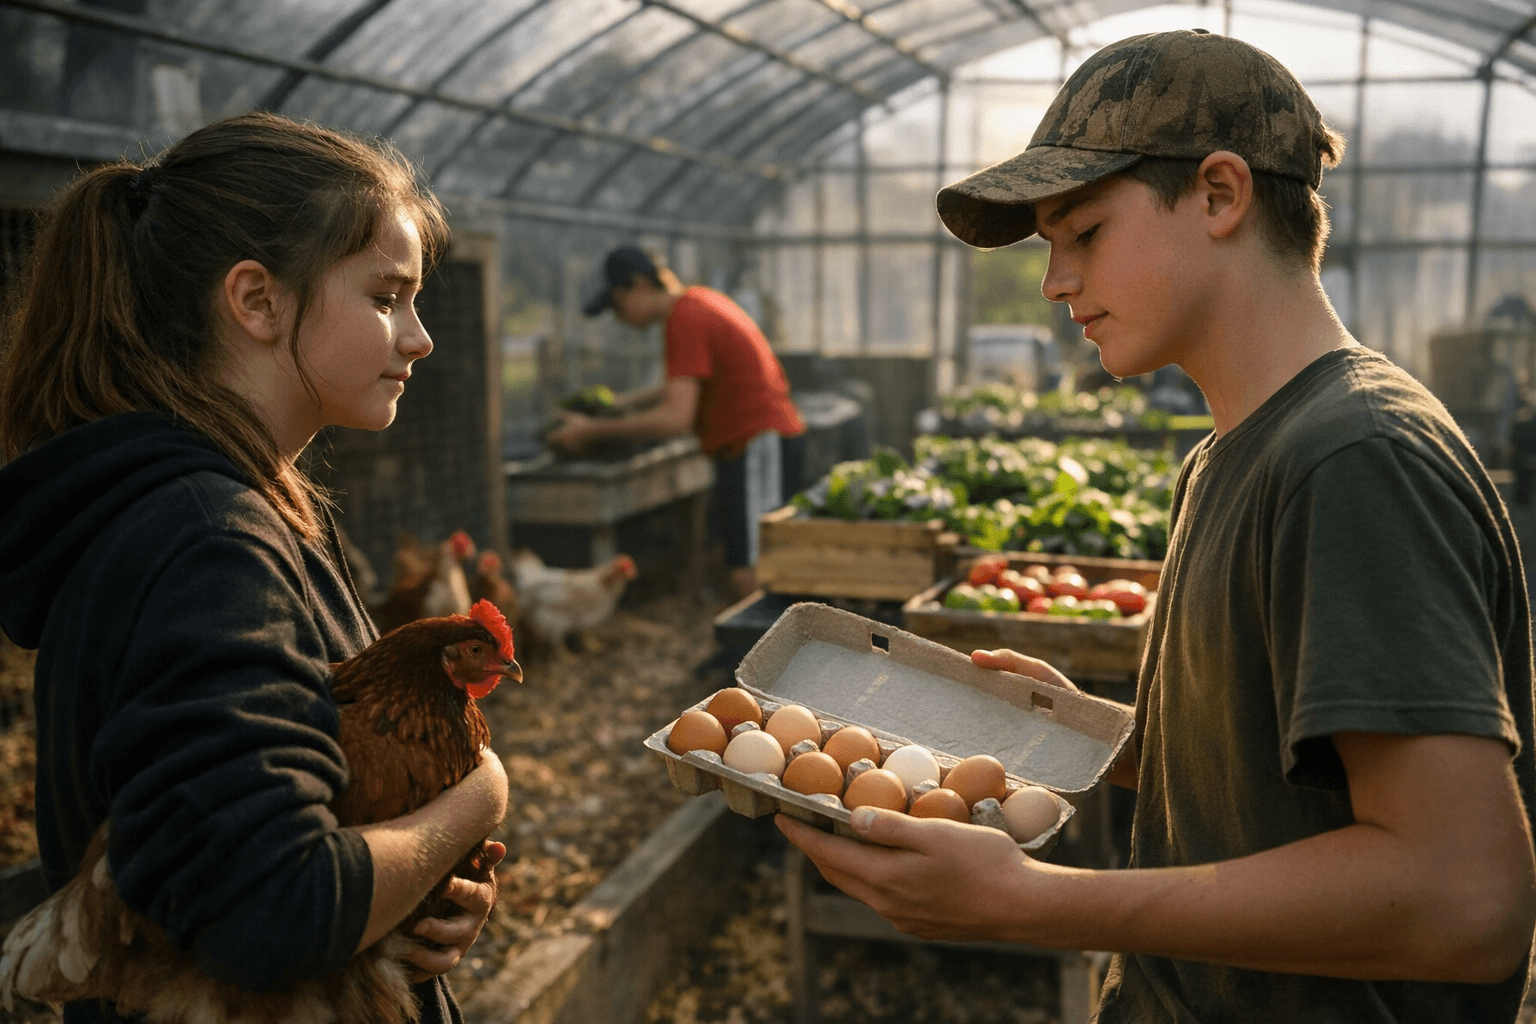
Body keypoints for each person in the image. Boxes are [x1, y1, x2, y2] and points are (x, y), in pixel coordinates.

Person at [777, 29, 1536, 1023]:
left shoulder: (1353, 458)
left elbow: (1465, 898)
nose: (1054, 282)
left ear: (1220, 195)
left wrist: (1038, 903)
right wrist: (1094, 736)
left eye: (1083, 233)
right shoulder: (1233, 455)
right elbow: (1288, 782)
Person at [0, 112, 507, 1022]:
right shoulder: (211, 540)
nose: (419, 336)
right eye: (387, 296)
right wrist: (475, 804)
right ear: (258, 301)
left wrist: (415, 899)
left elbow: (239, 837)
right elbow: (271, 907)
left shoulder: (243, 504)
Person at [545, 247, 805, 599]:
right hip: (756, 443)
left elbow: (675, 419)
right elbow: (688, 381)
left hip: (758, 444)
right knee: (748, 559)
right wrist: (626, 403)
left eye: (616, 304)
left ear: (638, 286)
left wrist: (589, 432)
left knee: (751, 568)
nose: (618, 317)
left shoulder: (685, 319)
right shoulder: (696, 302)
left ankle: (765, 649)